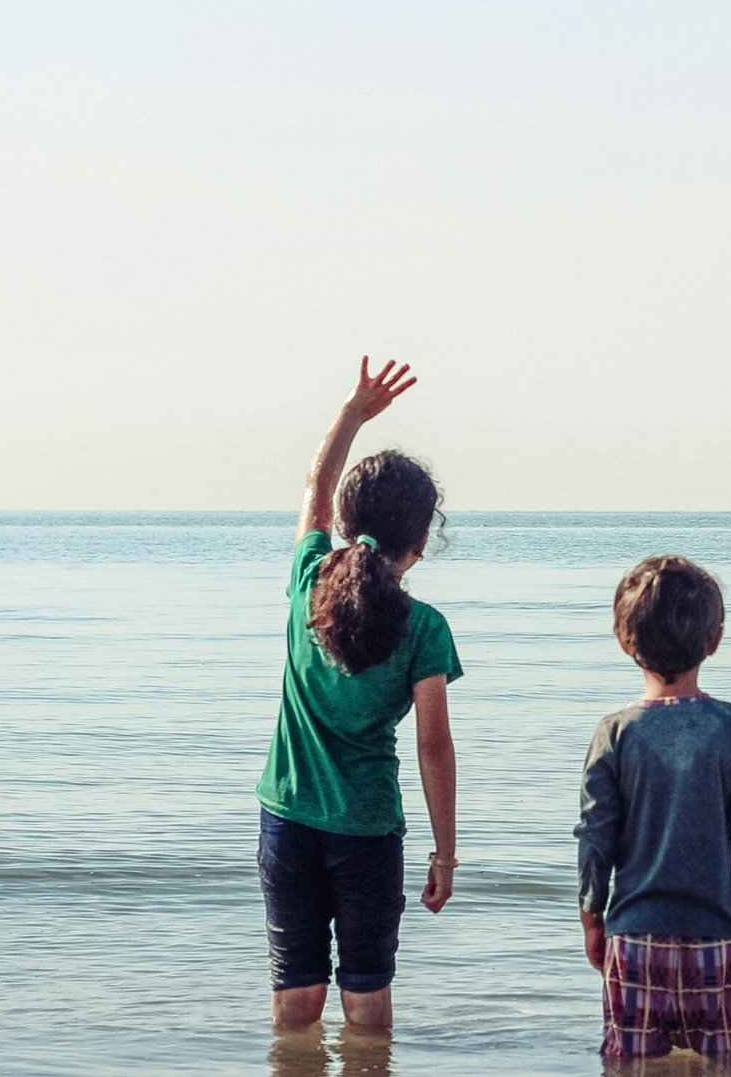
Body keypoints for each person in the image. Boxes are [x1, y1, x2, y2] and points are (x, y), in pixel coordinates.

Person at [256, 358, 461, 1035]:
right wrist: (444, 851)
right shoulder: (423, 628)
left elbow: (315, 484)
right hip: (368, 830)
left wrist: (353, 410)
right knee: (366, 995)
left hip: (287, 821)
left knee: (295, 989)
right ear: (420, 539)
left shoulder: (307, 578)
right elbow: (434, 745)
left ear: (345, 522)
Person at [576, 554, 731, 1062]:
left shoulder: (615, 733)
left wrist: (591, 917)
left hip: (635, 936)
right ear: (715, 639)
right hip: (714, 936)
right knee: (727, 1065)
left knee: (630, 1066)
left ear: (625, 641)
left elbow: (596, 836)